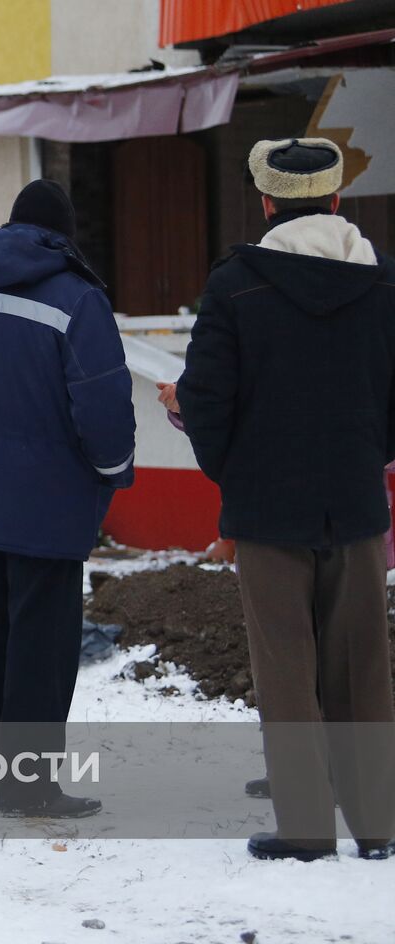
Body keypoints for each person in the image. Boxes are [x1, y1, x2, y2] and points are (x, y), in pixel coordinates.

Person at [176, 137, 395, 862]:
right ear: (337, 202)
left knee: (286, 665)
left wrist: (229, 467)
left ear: (267, 204)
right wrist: (368, 454)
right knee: (363, 663)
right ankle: (378, 825)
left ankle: (305, 829)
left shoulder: (237, 282)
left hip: (267, 508)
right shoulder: (384, 283)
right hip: (358, 501)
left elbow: (206, 397)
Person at [0, 179, 135, 817]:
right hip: (53, 499)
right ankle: (29, 786)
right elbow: (101, 398)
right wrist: (113, 469)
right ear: (63, 235)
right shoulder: (77, 297)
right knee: (42, 644)